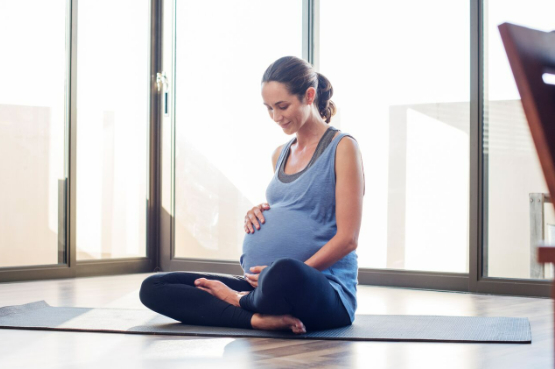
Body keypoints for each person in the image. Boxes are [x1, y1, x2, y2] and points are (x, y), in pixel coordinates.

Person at [139, 56, 365, 334]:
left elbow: (348, 240)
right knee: (154, 287)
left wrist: (271, 277)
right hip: (261, 284)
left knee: (286, 271)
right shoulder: (280, 154)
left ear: (309, 96)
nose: (276, 117)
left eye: (282, 106)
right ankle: (255, 318)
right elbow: (293, 209)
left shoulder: (342, 147)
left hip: (319, 289)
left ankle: (237, 301)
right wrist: (259, 211)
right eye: (269, 108)